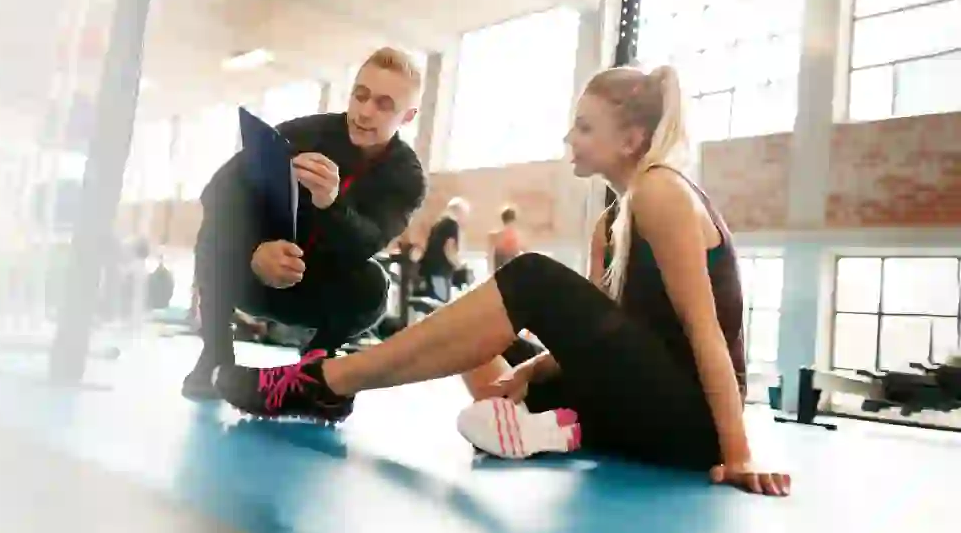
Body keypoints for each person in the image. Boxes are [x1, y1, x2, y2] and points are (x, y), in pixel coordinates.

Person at [217, 65, 791, 497]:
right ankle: (544, 425)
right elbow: (603, 337)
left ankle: (326, 381)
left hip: (689, 425)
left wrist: (737, 454)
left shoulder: (663, 191)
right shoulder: (611, 220)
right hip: (638, 401)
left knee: (532, 276)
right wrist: (531, 368)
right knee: (478, 343)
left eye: (585, 127)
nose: (569, 139)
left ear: (630, 140)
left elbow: (705, 332)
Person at [182, 47, 428, 400]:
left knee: (374, 285)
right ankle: (216, 355)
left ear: (408, 116)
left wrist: (331, 203)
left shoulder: (406, 177)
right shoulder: (303, 135)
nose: (364, 111)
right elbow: (217, 191)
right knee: (213, 233)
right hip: (251, 276)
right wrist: (253, 252)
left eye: (384, 104)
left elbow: (367, 243)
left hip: (314, 292)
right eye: (360, 95)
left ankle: (314, 365)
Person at [416, 198, 470, 303]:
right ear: (459, 212)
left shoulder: (439, 224)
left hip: (430, 270)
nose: (465, 218)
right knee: (441, 303)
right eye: (465, 214)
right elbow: (449, 249)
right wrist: (460, 266)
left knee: (435, 303)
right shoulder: (452, 224)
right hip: (440, 272)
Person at [488, 205, 524, 269]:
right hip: (511, 265)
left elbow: (491, 256)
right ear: (514, 219)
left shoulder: (496, 235)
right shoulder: (516, 236)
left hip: (501, 266)